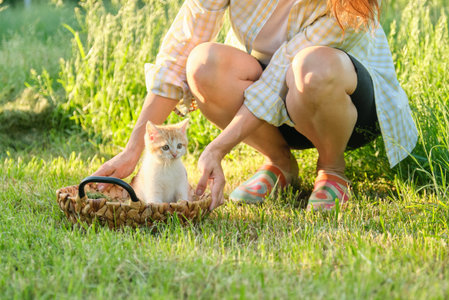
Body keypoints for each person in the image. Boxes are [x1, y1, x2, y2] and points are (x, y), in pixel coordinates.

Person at [93, 0, 417, 211]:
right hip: (276, 109)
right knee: (203, 63)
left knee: (310, 67)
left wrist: (217, 148)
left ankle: (332, 170)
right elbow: (182, 48)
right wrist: (134, 148)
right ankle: (280, 164)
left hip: (347, 110)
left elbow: (282, 74)